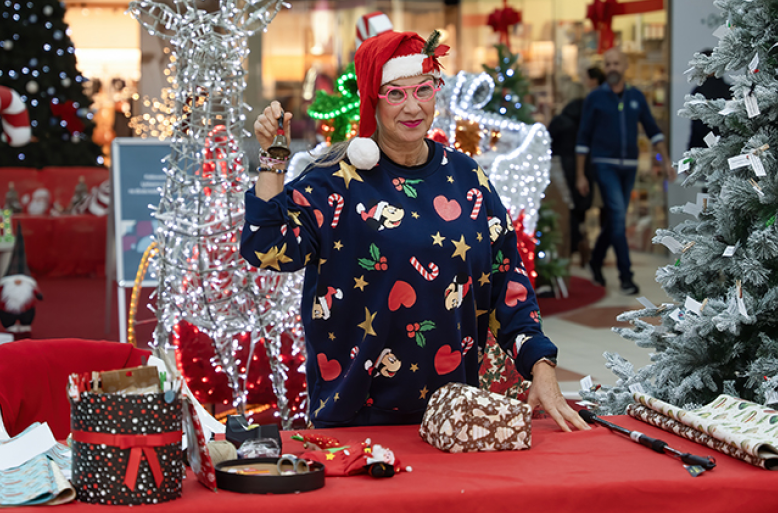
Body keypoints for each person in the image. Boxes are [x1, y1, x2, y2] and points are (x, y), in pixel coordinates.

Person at [241, 30, 589, 432]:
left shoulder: (468, 178)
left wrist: (541, 368)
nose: (412, 106)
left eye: (423, 89)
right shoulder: (334, 182)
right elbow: (264, 247)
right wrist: (272, 159)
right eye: (395, 94)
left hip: (452, 419)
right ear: (374, 98)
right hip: (355, 419)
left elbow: (508, 285)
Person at [575, 48, 676, 295]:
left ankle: (596, 261)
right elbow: (583, 138)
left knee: (614, 220)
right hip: (604, 164)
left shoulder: (636, 97)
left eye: (616, 63)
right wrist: (580, 174)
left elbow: (653, 130)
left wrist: (665, 161)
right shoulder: (595, 98)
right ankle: (626, 277)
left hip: (629, 166)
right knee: (618, 214)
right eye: (608, 64)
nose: (611, 68)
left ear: (625, 66)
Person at [548, 66, 605, 264]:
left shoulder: (561, 120)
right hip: (588, 168)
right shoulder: (591, 119)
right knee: (582, 208)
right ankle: (584, 241)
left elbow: (548, 143)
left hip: (563, 168)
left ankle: (574, 244)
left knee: (567, 207)